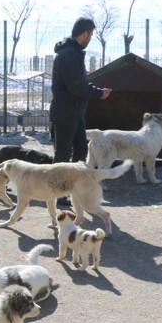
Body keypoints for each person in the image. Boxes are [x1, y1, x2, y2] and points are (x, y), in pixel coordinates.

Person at [49, 17, 111, 206]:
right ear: (84, 33)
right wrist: (98, 94)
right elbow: (76, 87)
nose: (90, 38)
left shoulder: (73, 53)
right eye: (91, 34)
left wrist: (94, 89)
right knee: (63, 153)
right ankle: (58, 193)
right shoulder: (69, 55)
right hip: (66, 112)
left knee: (81, 151)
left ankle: (75, 189)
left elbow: (80, 83)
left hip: (74, 112)